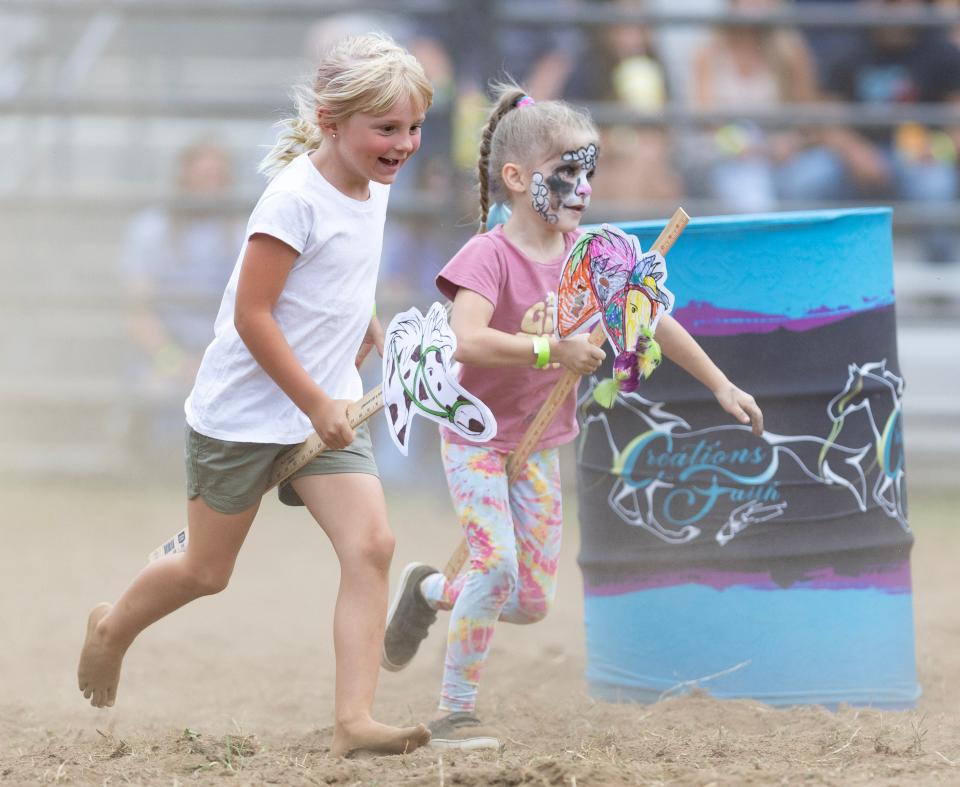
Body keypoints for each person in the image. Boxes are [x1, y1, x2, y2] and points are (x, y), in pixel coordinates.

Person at [77, 33, 434, 757]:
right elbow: (253, 313)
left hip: (326, 396)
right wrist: (313, 404)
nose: (404, 144)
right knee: (206, 571)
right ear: (332, 121)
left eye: (413, 128)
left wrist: (357, 315)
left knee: (372, 544)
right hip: (248, 411)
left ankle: (352, 720)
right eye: (387, 129)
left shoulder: (375, 180)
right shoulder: (293, 199)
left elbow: (338, 265)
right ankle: (112, 627)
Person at [379, 84, 765, 749]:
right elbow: (467, 339)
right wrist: (550, 348)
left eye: (590, 172)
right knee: (497, 569)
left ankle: (433, 589)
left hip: (538, 443)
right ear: (517, 177)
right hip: (476, 437)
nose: (583, 187)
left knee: (528, 599)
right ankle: (453, 712)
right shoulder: (487, 257)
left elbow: (652, 318)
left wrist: (721, 383)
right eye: (568, 172)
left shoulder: (590, 257)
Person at [119, 141, 243, 465]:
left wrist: (208, 362)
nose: (209, 186)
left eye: (218, 178)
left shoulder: (246, 232)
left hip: (224, 356)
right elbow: (137, 311)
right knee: (151, 388)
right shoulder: (150, 229)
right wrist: (174, 361)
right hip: (163, 354)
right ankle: (143, 469)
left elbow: (251, 310)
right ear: (183, 178)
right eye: (202, 176)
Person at [689, 0, 831, 213]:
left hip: (781, 156)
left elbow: (807, 118)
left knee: (821, 169)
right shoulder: (708, 53)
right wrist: (742, 146)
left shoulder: (791, 51)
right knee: (746, 181)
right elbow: (706, 121)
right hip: (729, 156)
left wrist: (789, 143)